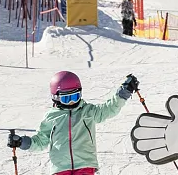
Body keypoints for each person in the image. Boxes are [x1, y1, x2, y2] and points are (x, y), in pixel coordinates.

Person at [7, 71, 137, 175]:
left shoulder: (87, 111)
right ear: (56, 97)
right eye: (66, 98)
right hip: (60, 167)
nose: (71, 102)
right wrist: (23, 142)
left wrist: (123, 93)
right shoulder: (52, 117)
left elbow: (108, 109)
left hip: (85, 164)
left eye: (75, 97)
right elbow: (41, 141)